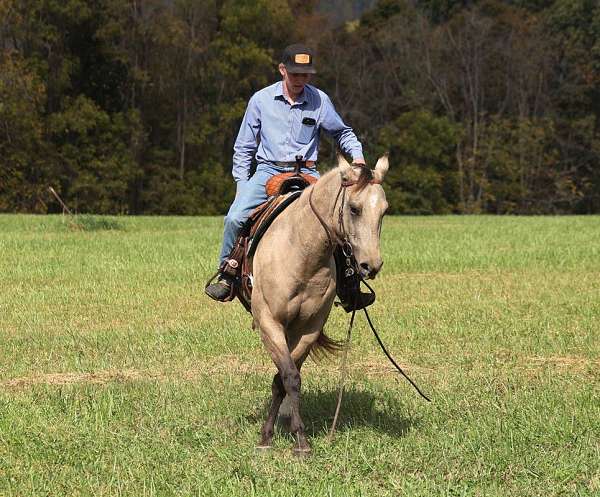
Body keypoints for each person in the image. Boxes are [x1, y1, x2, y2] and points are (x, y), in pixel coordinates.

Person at [205, 43, 374, 311]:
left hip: (307, 172)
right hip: (268, 170)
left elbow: (342, 132)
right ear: (282, 70)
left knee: (340, 221)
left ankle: (348, 285)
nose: (300, 80)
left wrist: (359, 158)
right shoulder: (260, 100)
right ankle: (228, 273)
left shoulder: (320, 100)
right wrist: (241, 184)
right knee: (234, 217)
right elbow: (244, 146)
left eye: (305, 75)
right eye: (294, 74)